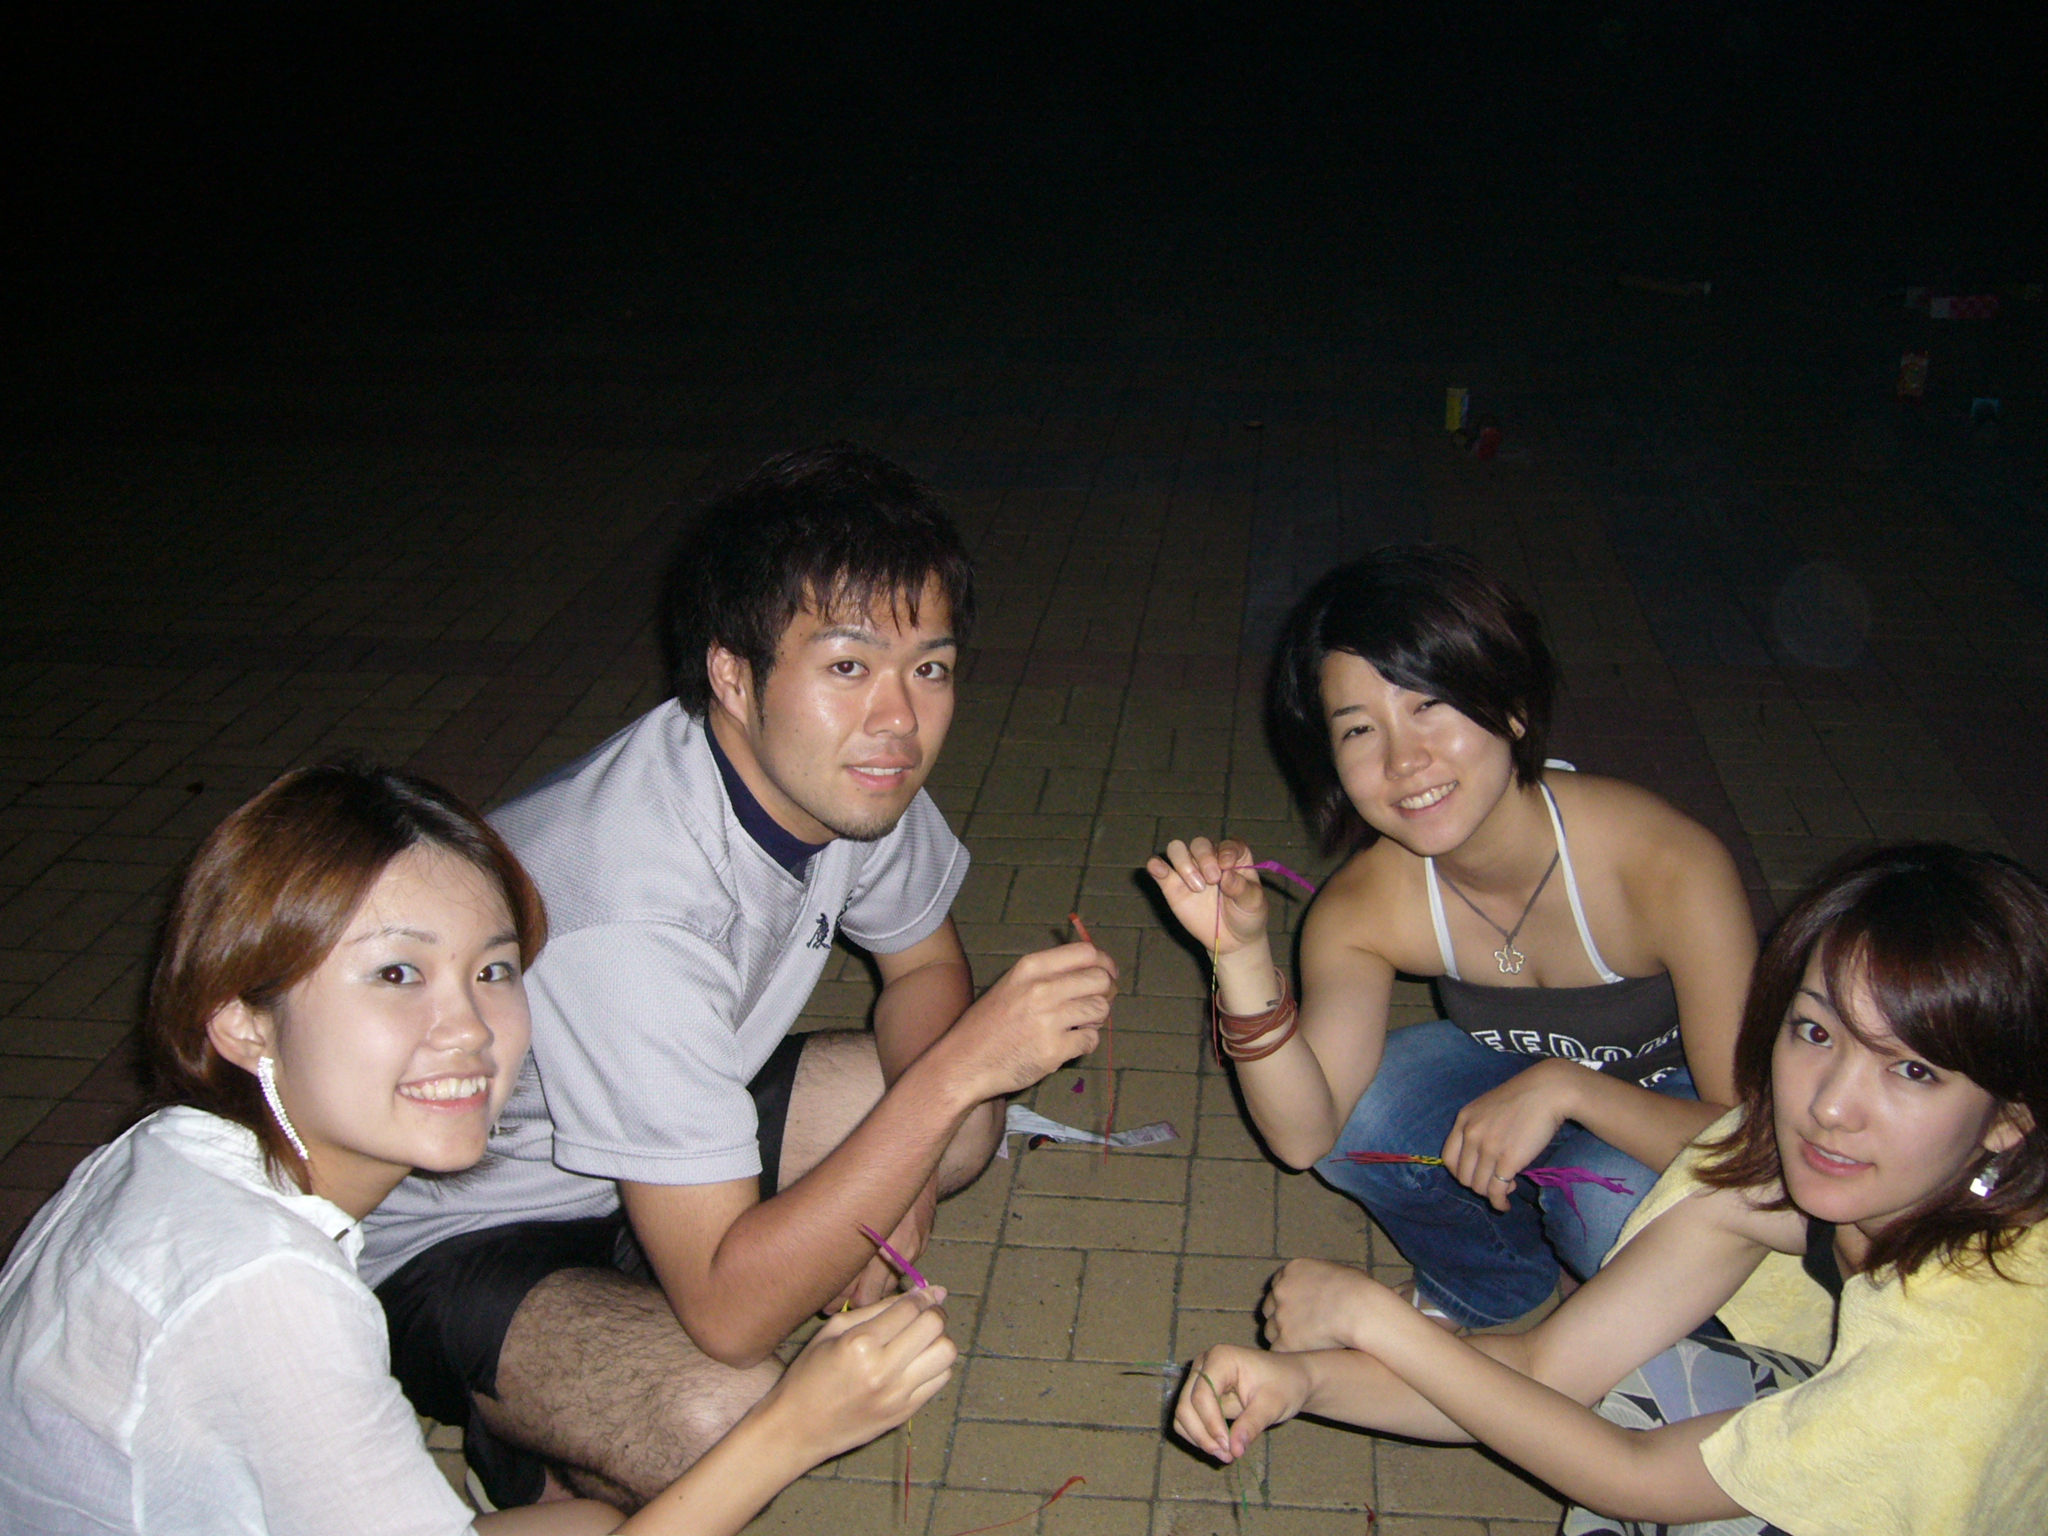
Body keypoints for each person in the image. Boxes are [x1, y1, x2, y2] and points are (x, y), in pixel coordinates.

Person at [364, 444, 1117, 1509]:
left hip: (663, 1142)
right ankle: (526, 1442)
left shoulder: (845, 775)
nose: (899, 720)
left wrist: (906, 1174)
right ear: (732, 674)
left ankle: (656, 1294)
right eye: (847, 667)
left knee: (962, 1124)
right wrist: (950, 1081)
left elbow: (921, 966)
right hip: (466, 1228)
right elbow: (729, 1317)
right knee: (726, 1414)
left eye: (930, 668)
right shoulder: (632, 903)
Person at [0, 762, 960, 1536]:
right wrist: (797, 1426)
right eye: (396, 974)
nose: (468, 1028)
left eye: (494, 969)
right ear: (244, 1021)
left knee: (590, 1525)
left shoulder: (168, 1151)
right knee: (722, 1452)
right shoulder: (271, 1296)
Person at [1175, 841, 2048, 1535]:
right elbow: (1547, 1369)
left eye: (1913, 1071)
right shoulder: (1814, 1177)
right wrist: (1303, 1380)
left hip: (1947, 1481)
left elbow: (1633, 1478)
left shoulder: (1959, 1356)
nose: (1830, 1107)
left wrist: (1376, 1320)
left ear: (2011, 1118)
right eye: (1815, 1031)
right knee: (1638, 1372)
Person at [1148, 547, 1757, 1327]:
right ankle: (1495, 1280)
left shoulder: (1666, 867)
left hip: (1678, 1110)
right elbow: (1306, 1137)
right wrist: (1239, 957)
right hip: (1517, 1081)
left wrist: (1566, 1089)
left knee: (1608, 1207)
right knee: (1365, 1116)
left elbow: (1750, 1143)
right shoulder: (1366, 907)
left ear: (1512, 706)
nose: (1404, 760)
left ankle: (1644, 1316)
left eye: (1429, 704)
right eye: (1359, 728)